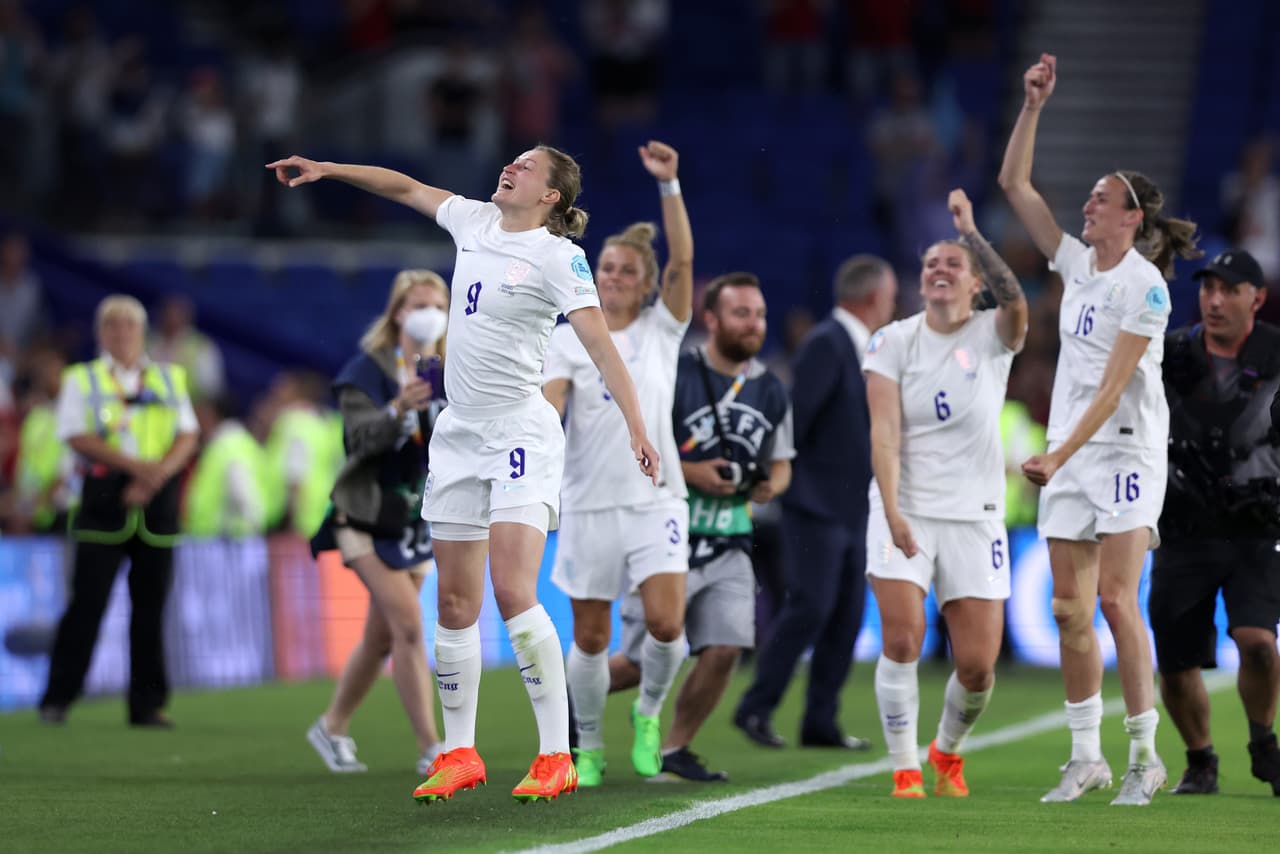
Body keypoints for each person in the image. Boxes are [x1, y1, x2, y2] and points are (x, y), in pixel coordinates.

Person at [268, 145, 658, 804]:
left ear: (551, 196)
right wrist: (330, 171)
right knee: (453, 602)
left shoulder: (559, 257)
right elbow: (404, 186)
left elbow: (599, 346)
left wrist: (637, 427)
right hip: (458, 436)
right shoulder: (473, 220)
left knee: (512, 590)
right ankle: (458, 753)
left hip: (520, 433)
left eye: (528, 166)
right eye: (515, 160)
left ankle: (555, 755)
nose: (513, 166)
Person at [998, 52, 1202, 805]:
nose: (1086, 205)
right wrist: (1033, 106)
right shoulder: (1078, 264)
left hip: (1123, 454)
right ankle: (1086, 757)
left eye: (1100, 198)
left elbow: (1116, 385)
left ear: (1132, 217)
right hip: (1071, 455)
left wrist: (1057, 454)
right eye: (1086, 196)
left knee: (1117, 599)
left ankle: (1145, 756)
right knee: (1067, 610)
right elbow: (1015, 186)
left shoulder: (1145, 289)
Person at [864, 189, 1028, 798]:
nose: (939, 269)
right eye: (931, 263)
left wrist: (972, 234)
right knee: (903, 637)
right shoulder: (891, 341)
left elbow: (1017, 301)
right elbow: (884, 432)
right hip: (904, 507)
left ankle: (946, 750)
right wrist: (892, 509)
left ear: (976, 283)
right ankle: (905, 766)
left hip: (975, 516)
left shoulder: (994, 333)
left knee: (978, 668)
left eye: (953, 264)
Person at [542, 140, 692, 786]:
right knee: (591, 637)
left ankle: (649, 713)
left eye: (627, 270)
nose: (614, 277)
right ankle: (592, 744)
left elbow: (684, 259)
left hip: (656, 498)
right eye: (606, 267)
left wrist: (670, 186)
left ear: (647, 282)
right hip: (588, 501)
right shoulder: (565, 338)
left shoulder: (662, 329)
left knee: (667, 624)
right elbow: (550, 408)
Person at [610, 271, 794, 781]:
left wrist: (769, 487)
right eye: (741, 313)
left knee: (726, 647)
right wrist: (694, 473)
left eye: (759, 314)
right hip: (669, 535)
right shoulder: (675, 371)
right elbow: (640, 443)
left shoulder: (772, 388)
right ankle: (564, 703)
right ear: (711, 319)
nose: (754, 323)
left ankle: (675, 748)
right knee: (638, 663)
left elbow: (782, 463)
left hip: (731, 538)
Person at [733, 254, 896, 750]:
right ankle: (755, 707)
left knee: (845, 615)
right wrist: (786, 483)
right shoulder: (828, 343)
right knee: (810, 607)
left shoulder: (854, 344)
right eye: (890, 297)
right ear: (874, 297)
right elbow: (795, 419)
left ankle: (820, 721)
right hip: (817, 505)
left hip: (850, 507)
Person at [306, 269, 450, 777]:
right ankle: (431, 747)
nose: (431, 314)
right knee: (409, 625)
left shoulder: (443, 368)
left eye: (439, 305)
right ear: (397, 313)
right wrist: (396, 409)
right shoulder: (366, 371)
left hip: (412, 517)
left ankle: (332, 726)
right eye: (419, 305)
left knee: (382, 637)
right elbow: (358, 439)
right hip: (363, 513)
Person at [1152, 248, 1280, 797]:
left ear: (1258, 298)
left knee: (1258, 641)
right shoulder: (1170, 352)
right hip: (1184, 522)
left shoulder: (1277, 352)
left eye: (1230, 289)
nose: (1215, 300)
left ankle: (1263, 742)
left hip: (1257, 522)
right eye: (1208, 288)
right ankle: (1200, 758)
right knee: (1176, 659)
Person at [38, 295, 199, 727]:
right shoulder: (82, 378)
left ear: (142, 331)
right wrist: (137, 469)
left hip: (156, 506)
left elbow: (187, 434)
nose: (122, 332)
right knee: (86, 605)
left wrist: (153, 476)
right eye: (112, 324)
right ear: (100, 333)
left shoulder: (168, 377)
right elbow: (75, 434)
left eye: (129, 324)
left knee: (151, 609)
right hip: (103, 502)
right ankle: (58, 697)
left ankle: (147, 704)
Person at [182, 394, 267, 539]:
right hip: (221, 538)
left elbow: (242, 492)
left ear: (210, 414)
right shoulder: (235, 442)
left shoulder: (228, 445)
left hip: (224, 540)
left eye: (198, 414)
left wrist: (246, 531)